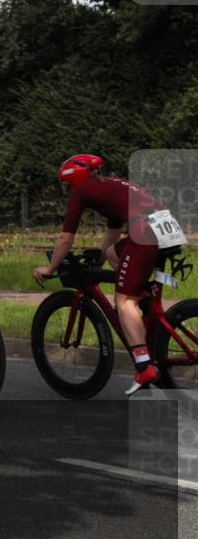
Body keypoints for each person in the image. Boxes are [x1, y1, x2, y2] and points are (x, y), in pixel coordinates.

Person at [32, 154, 184, 395]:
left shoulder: (81, 192)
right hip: (166, 225)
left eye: (66, 184)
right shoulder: (111, 184)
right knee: (115, 254)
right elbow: (113, 233)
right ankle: (144, 306)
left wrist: (49, 269)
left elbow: (65, 239)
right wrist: (100, 258)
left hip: (144, 231)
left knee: (124, 301)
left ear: (74, 177)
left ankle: (143, 365)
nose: (67, 189)